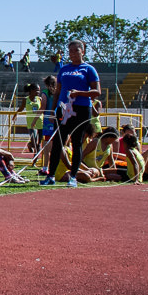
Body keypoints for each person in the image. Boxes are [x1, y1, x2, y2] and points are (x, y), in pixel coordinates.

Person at [41, 40, 100, 188]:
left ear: (83, 51)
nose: (73, 54)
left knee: (76, 142)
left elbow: (97, 92)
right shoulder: (64, 69)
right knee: (57, 143)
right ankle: (51, 176)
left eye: (76, 50)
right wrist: (53, 110)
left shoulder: (88, 69)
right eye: (70, 51)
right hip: (63, 108)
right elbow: (58, 92)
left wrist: (79, 93)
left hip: (81, 109)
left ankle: (73, 176)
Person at [16, 82, 44, 154]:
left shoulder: (40, 99)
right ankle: (30, 145)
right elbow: (21, 108)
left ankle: (35, 161)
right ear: (31, 90)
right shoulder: (26, 99)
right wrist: (15, 114)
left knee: (38, 144)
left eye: (39, 90)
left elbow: (43, 109)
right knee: (34, 141)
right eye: (36, 90)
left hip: (40, 122)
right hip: (31, 123)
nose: (38, 92)